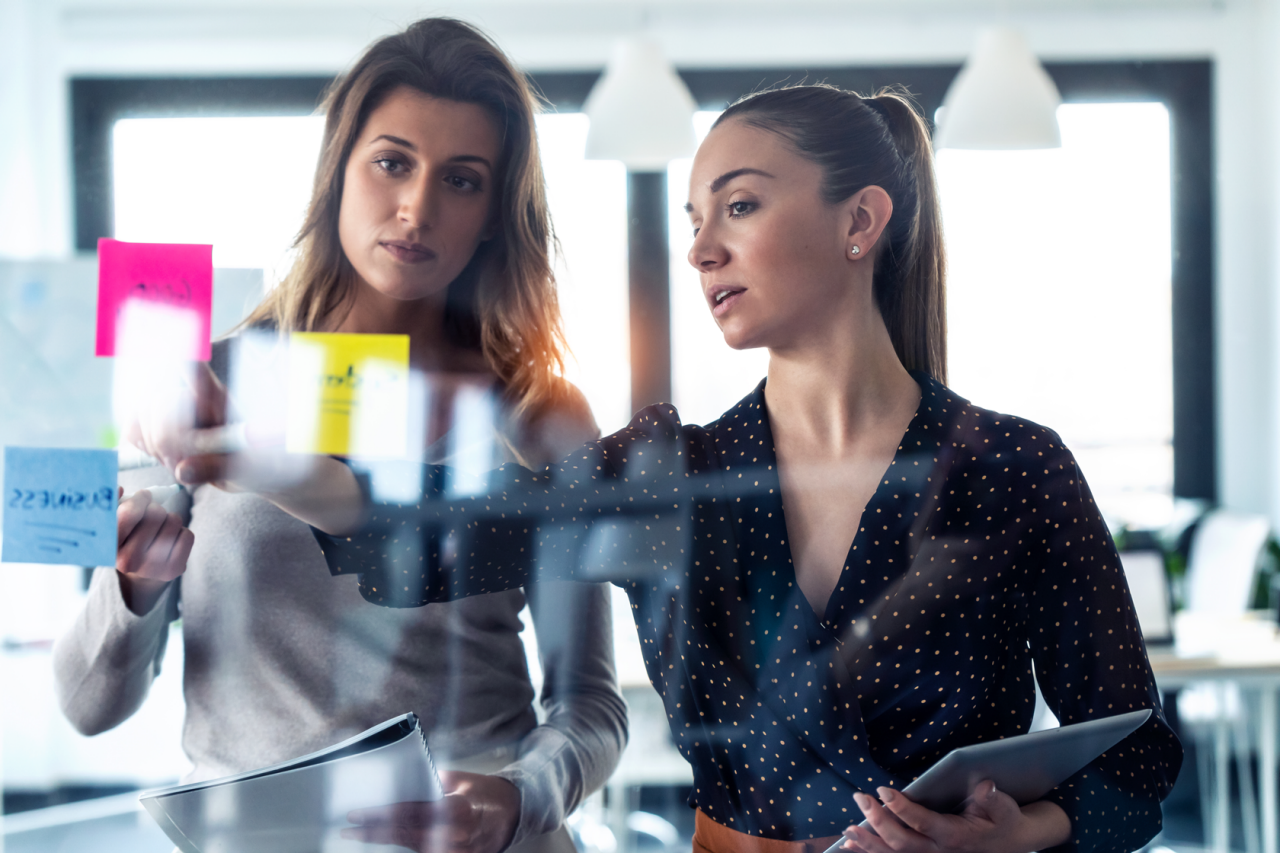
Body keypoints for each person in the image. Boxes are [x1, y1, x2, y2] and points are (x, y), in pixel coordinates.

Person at [175, 85, 1182, 853]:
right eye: (692, 219)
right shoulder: (666, 473)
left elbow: (1137, 761)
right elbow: (422, 538)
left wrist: (1019, 834)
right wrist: (245, 456)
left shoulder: (1011, 467)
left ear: (858, 222)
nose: (701, 250)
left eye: (737, 207)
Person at [52, 18, 627, 853]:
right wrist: (132, 587)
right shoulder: (204, 387)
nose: (417, 208)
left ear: (495, 214)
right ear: (338, 171)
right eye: (392, 162)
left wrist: (517, 799)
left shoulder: (539, 415)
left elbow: (591, 707)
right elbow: (85, 707)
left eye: (461, 180)